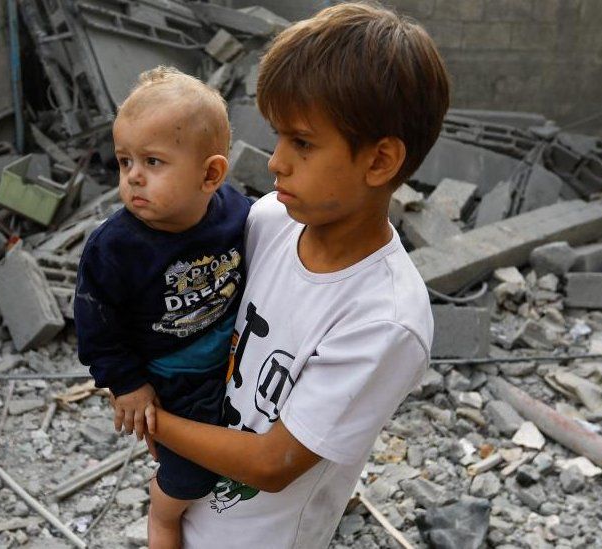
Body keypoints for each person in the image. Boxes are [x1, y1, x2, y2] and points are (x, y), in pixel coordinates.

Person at [143, 3, 450, 547]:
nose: (275, 162)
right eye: (278, 136)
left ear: (379, 161)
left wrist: (151, 419)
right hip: (189, 497)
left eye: (302, 143)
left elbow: (273, 463)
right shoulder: (271, 221)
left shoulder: (385, 320)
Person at [74, 66, 252, 548]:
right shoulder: (115, 248)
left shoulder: (237, 214)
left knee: (243, 449)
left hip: (236, 356)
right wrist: (127, 384)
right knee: (192, 473)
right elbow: (97, 326)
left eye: (153, 162)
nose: (133, 176)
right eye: (124, 161)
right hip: (173, 379)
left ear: (210, 174)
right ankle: (164, 516)